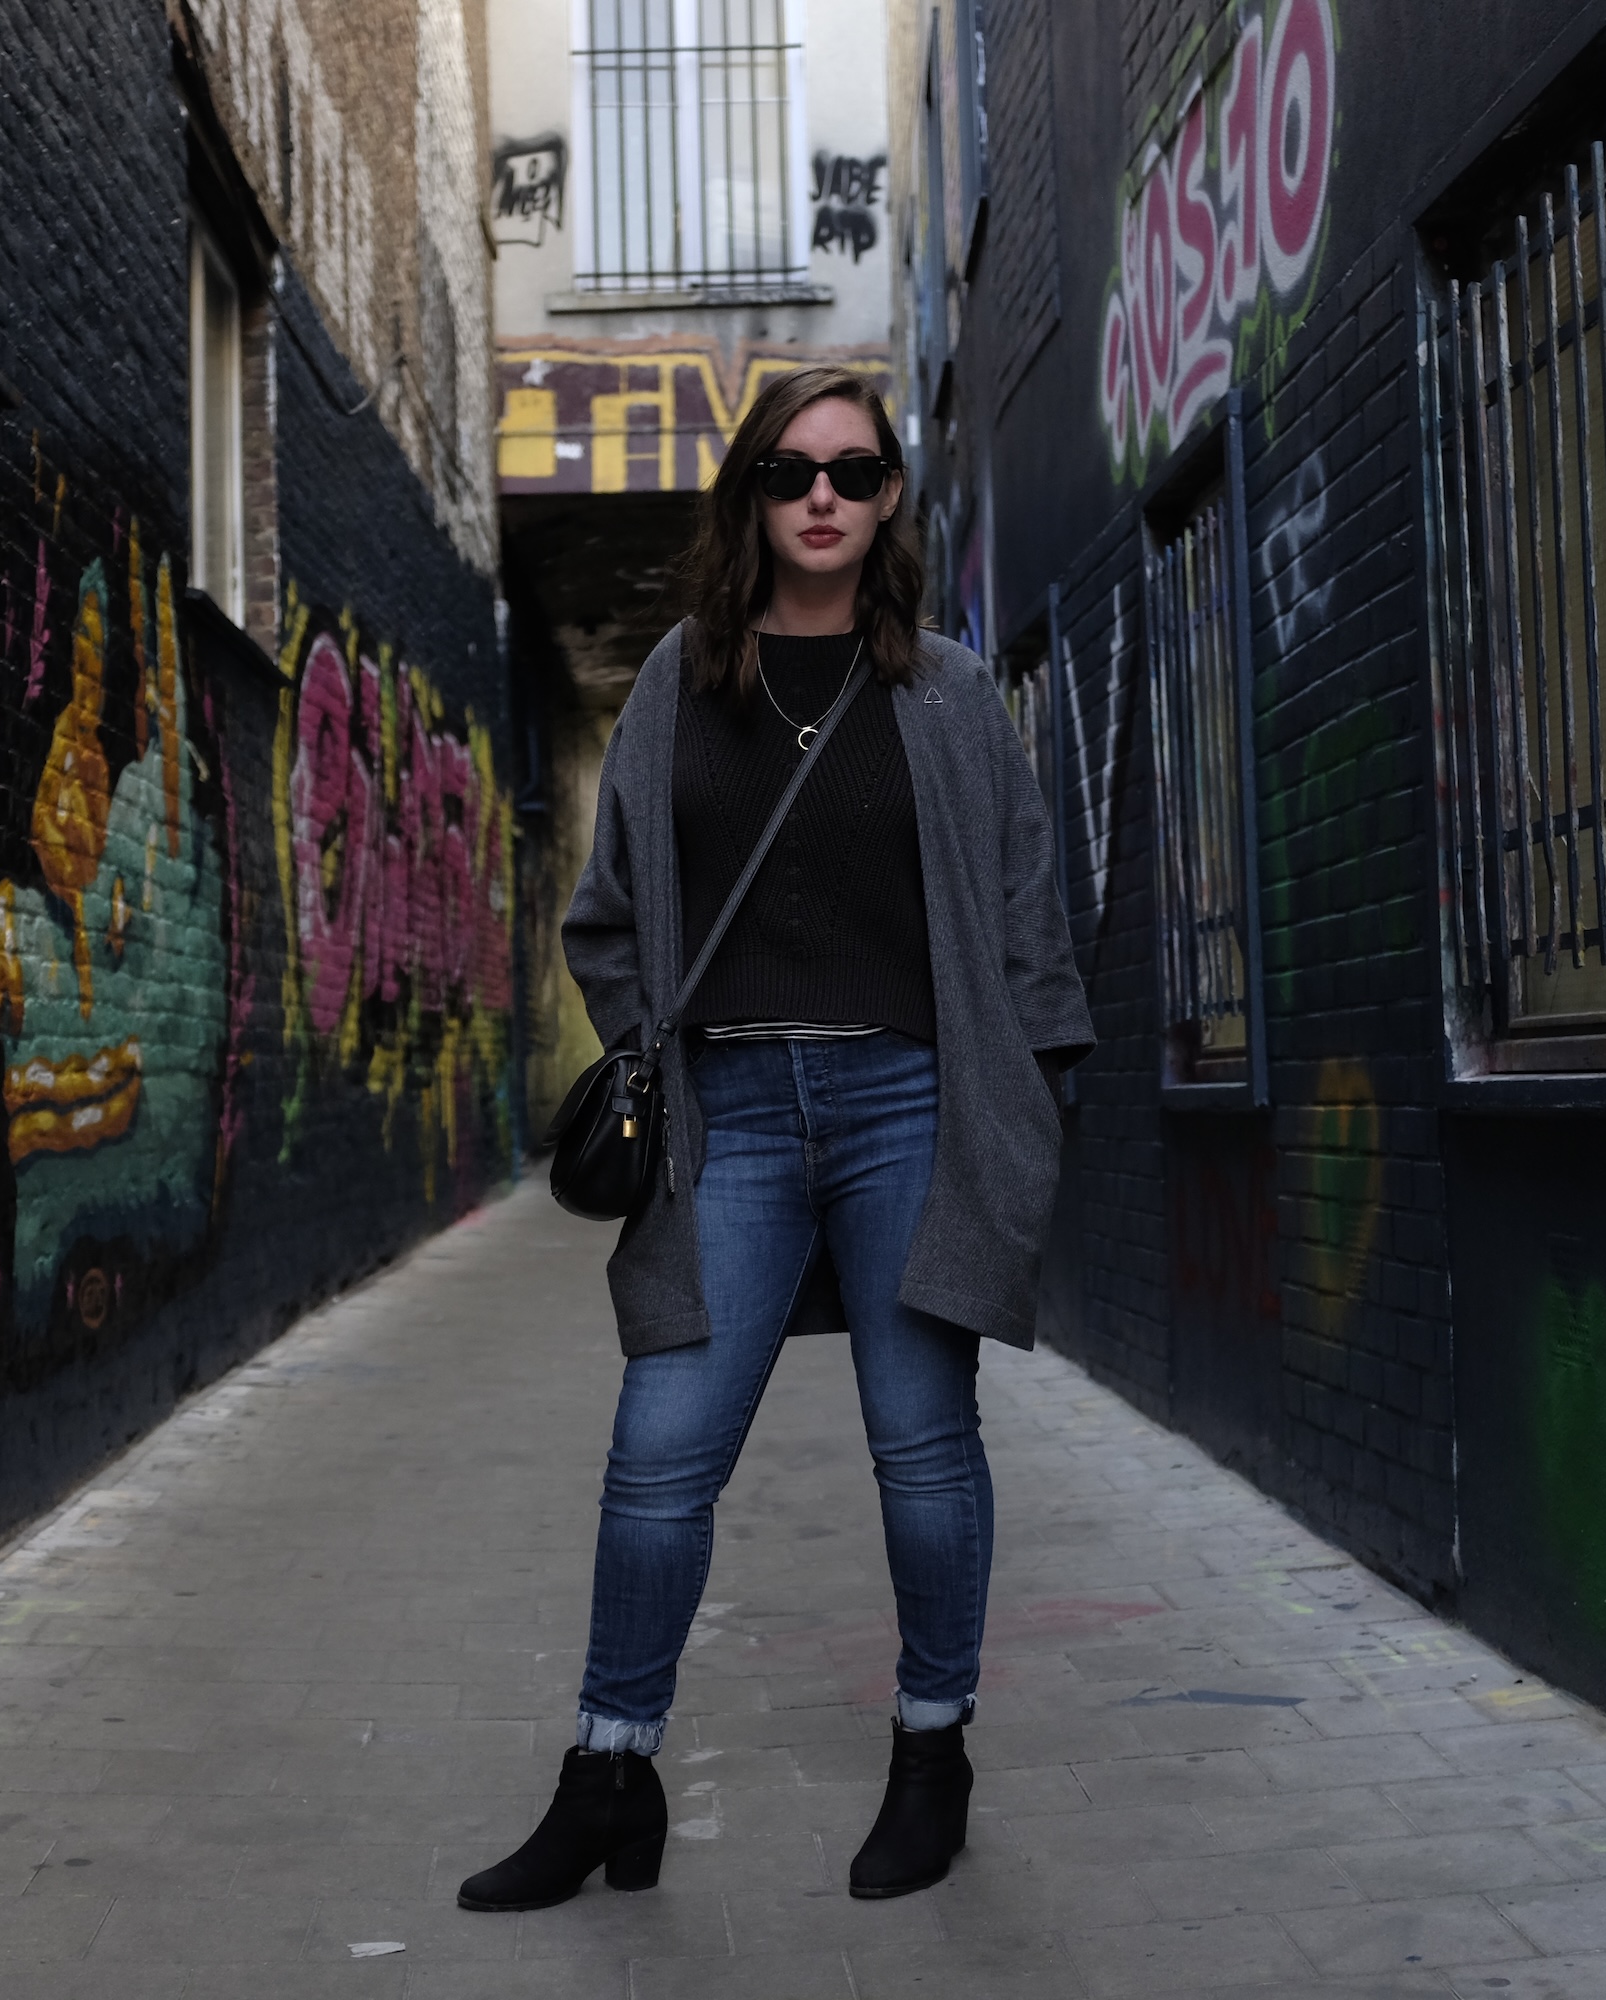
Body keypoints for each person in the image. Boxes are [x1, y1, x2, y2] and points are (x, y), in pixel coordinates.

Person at [457, 366, 1092, 1912]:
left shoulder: (947, 697)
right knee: (660, 1454)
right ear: (752, 494)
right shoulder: (684, 678)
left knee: (924, 1448)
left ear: (888, 505)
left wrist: (1023, 1108)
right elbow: (608, 915)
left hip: (906, 1112)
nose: (825, 496)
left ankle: (931, 1748)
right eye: (795, 471)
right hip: (730, 1118)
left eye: (856, 474)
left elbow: (1026, 932)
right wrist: (655, 1044)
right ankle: (610, 1775)